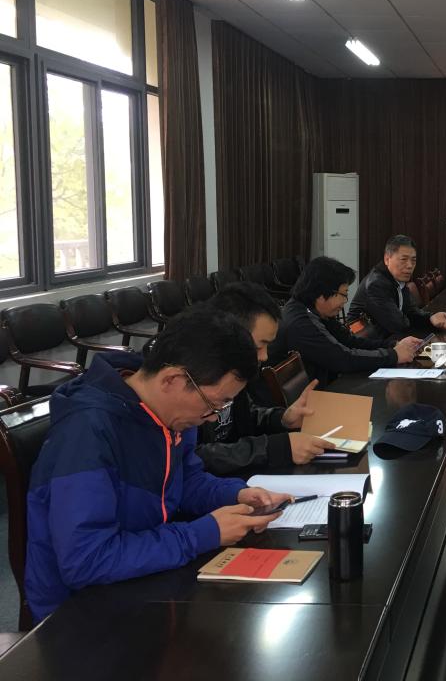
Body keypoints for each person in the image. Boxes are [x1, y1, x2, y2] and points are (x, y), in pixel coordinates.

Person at [25, 310, 293, 622]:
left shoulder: (170, 414)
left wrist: (236, 495)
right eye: (214, 403)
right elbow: (86, 560)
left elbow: (185, 482)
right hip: (80, 614)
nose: (213, 417)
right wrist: (199, 535)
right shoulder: (87, 432)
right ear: (172, 380)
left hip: (143, 578)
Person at [196, 282, 333, 474]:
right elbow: (195, 458)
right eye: (259, 346)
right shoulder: (191, 380)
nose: (265, 356)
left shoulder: (236, 372)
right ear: (229, 336)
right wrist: (278, 448)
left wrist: (283, 419)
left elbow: (247, 416)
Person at [271, 255, 420, 384]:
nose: (345, 302)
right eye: (343, 294)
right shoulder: (300, 323)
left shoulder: (315, 310)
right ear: (322, 293)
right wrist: (393, 355)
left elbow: (349, 341)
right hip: (308, 400)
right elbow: (342, 359)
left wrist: (393, 345)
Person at [347, 234, 446, 340]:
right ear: (387, 259)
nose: (410, 265)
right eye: (403, 259)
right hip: (366, 343)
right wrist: (413, 319)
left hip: (387, 337)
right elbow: (398, 325)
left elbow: (410, 312)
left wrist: (431, 318)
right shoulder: (376, 284)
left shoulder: (396, 279)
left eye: (413, 260)